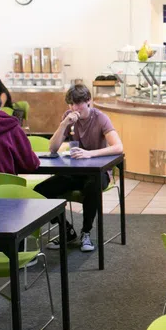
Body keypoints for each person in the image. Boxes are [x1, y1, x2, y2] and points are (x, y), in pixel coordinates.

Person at [35, 84, 124, 253]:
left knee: (92, 187)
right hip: (75, 171)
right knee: (40, 190)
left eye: (78, 104)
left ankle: (86, 232)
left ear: (88, 101)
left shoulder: (100, 118)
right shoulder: (68, 117)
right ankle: (66, 231)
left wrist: (90, 154)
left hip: (99, 172)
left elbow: (118, 147)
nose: (74, 108)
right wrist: (63, 125)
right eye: (71, 105)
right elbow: (52, 149)